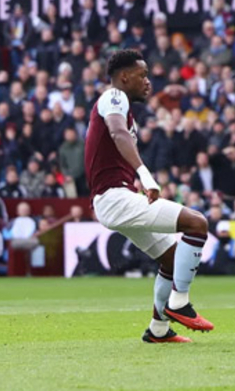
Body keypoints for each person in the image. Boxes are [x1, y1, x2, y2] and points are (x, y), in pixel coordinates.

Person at [85, 50, 212, 344]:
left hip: (117, 198)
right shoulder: (114, 97)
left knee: (171, 258)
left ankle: (158, 331)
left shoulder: (122, 106)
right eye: (142, 75)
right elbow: (118, 134)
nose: (148, 82)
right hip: (115, 198)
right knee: (197, 224)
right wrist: (144, 173)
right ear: (124, 76)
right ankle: (179, 301)